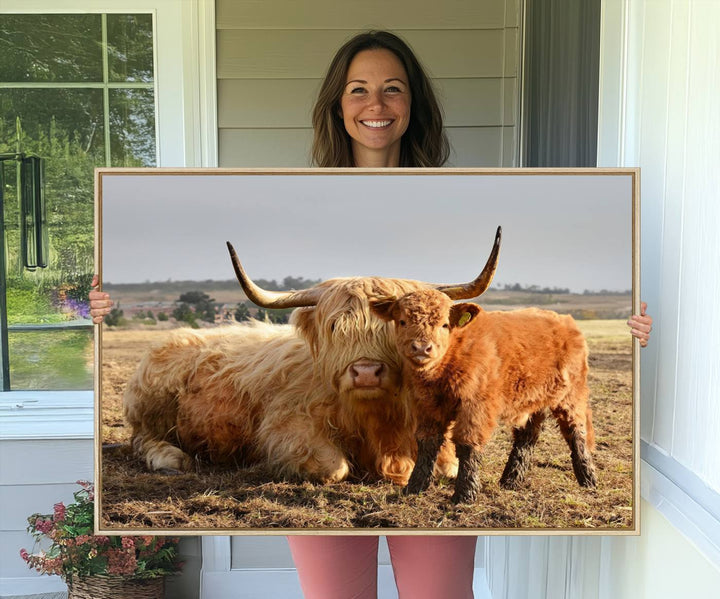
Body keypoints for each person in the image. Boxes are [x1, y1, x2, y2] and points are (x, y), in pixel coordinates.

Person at [89, 30, 652, 599]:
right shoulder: (291, 194)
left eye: (393, 89)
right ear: (338, 104)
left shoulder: (462, 196)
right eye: (358, 90)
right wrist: (103, 302)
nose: (375, 105)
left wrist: (633, 323)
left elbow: (468, 324)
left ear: (414, 105)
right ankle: (147, 441)